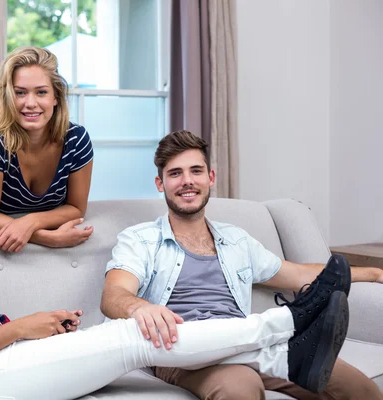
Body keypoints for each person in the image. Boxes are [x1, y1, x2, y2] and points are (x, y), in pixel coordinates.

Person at [0, 157, 350, 400]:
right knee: (130, 335)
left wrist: (42, 326)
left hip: (5, 363)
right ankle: (284, 325)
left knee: (128, 340)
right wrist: (21, 328)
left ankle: (282, 353)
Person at [100, 130, 383, 400]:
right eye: (175, 173)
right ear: (160, 184)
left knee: (357, 387)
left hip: (245, 340)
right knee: (240, 388)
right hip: (183, 350)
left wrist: (373, 273)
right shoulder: (140, 239)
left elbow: (297, 274)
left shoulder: (236, 240)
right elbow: (113, 295)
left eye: (196, 171)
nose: (187, 181)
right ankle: (291, 322)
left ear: (210, 177)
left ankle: (287, 329)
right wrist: (140, 307)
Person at [0, 46, 94, 253]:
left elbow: (76, 208)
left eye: (41, 92)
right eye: (20, 93)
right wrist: (48, 238)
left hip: (18, 230)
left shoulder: (76, 139)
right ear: (7, 97)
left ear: (55, 97)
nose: (30, 103)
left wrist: (30, 222)